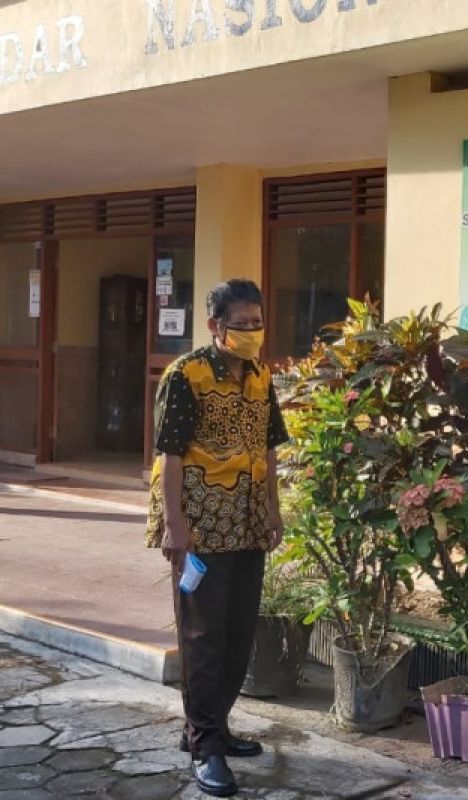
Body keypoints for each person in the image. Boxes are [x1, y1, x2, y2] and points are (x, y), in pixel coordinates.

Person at [145, 279, 289, 799]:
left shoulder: (261, 375)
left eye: (257, 323)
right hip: (202, 522)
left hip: (249, 521)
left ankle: (216, 727)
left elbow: (269, 447)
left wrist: (274, 508)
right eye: (241, 324)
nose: (252, 333)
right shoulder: (187, 374)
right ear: (215, 326)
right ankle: (205, 747)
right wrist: (175, 523)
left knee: (237, 633)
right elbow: (171, 453)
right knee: (202, 638)